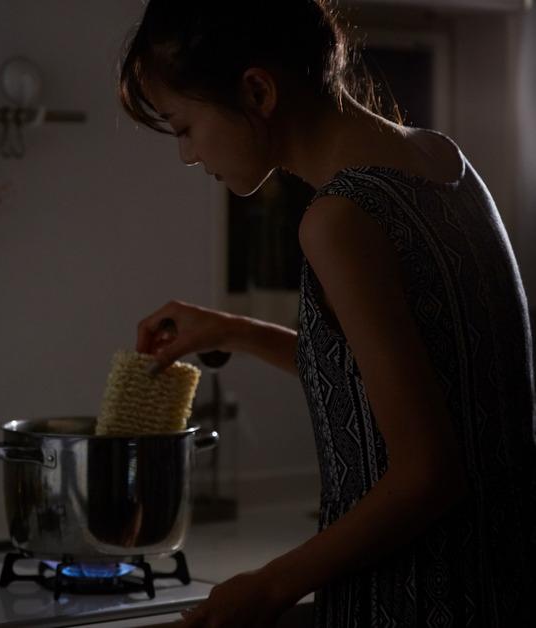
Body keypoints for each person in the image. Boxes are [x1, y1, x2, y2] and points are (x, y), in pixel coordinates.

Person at [119, 1, 536, 626]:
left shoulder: (339, 217)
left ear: (257, 91)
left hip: (417, 598)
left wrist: (267, 588)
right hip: (503, 581)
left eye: (183, 127)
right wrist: (233, 330)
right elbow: (396, 381)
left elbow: (427, 474)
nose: (186, 155)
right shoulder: (442, 159)